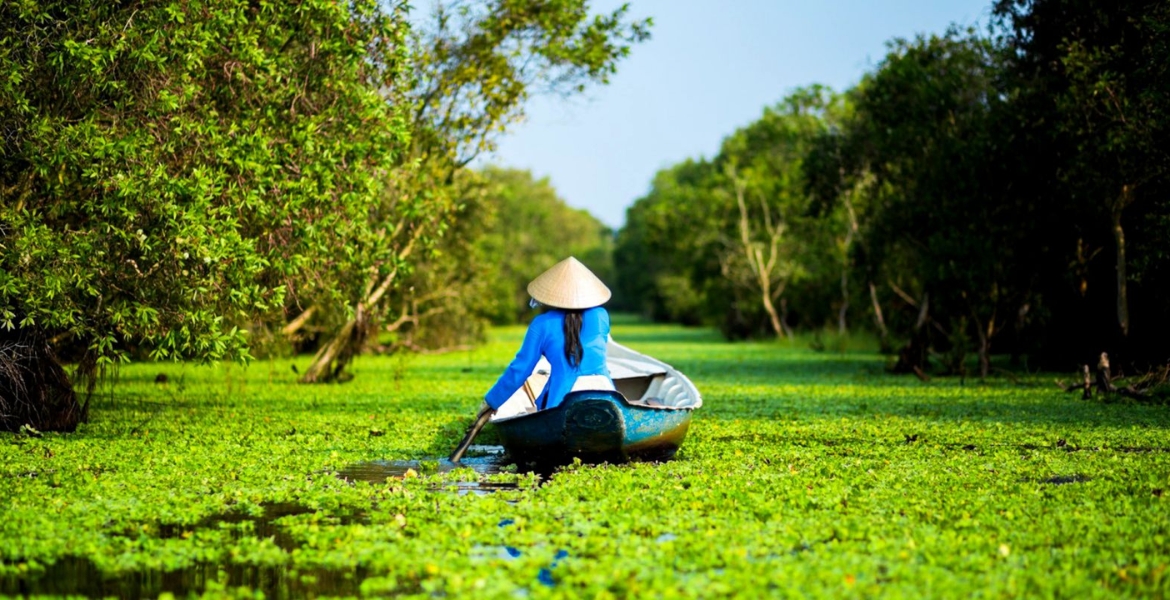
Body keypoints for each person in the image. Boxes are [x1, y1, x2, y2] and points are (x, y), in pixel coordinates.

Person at [483, 257, 614, 414]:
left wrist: (492, 401)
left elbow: (521, 369)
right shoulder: (601, 315)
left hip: (562, 404)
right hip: (607, 396)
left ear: (553, 294)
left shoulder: (541, 324)